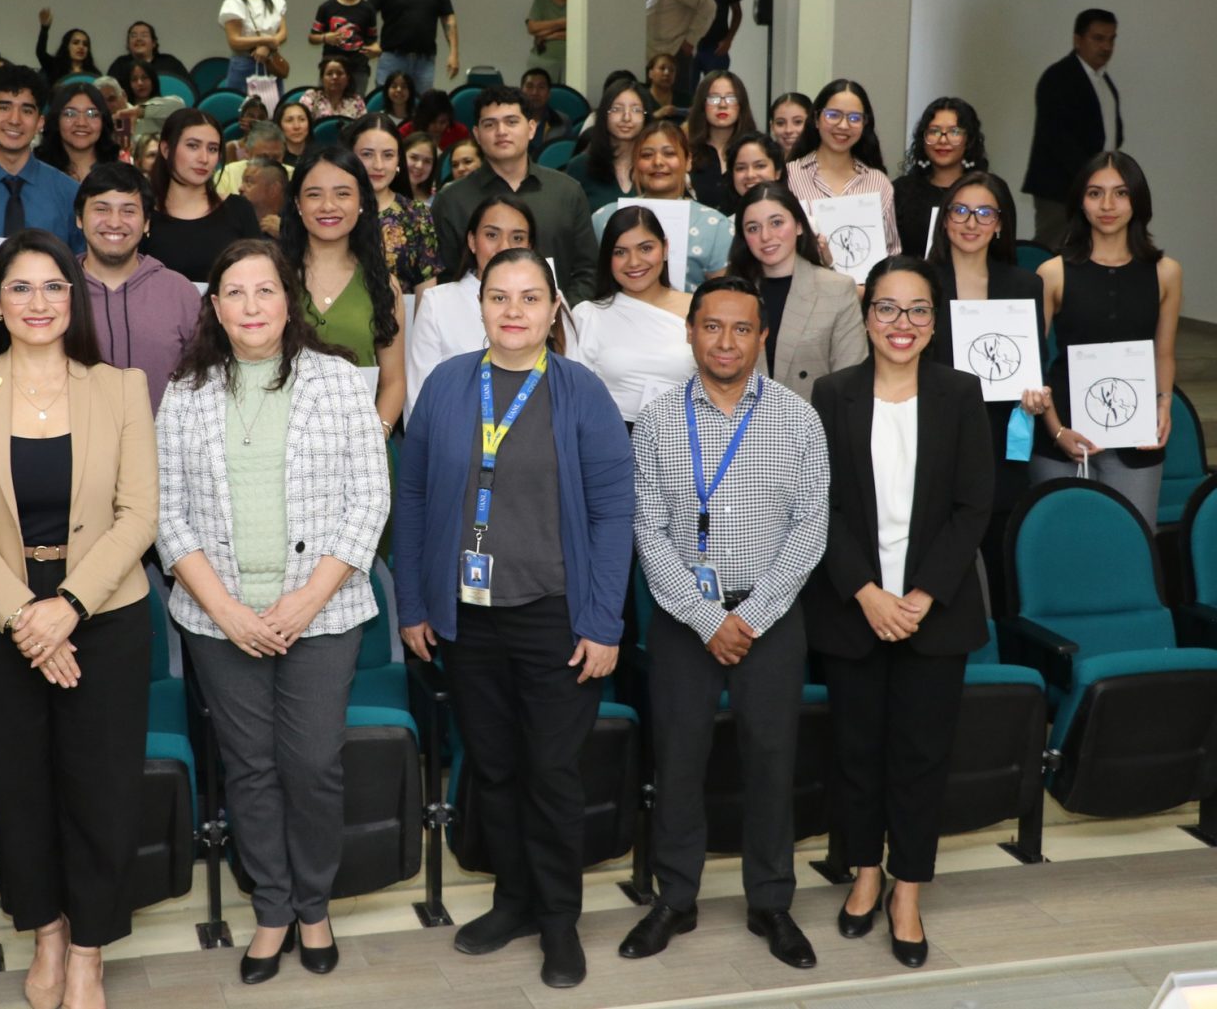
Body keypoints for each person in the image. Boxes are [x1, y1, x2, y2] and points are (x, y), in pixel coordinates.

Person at [0, 229, 153, 1009]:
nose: (38, 302)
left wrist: (70, 607)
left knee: (100, 787)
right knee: (18, 788)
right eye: (19, 288)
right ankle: (47, 936)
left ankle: (88, 949)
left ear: (74, 297)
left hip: (104, 613)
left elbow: (139, 515)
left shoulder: (119, 387)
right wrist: (29, 616)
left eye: (53, 286)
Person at [396, 248, 631, 989]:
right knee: (493, 769)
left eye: (530, 298)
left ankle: (560, 921)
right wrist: (414, 602)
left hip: (556, 617)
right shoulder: (444, 385)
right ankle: (514, 901)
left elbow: (612, 512)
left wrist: (604, 622)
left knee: (552, 772)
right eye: (500, 296)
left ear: (553, 307)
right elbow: (415, 499)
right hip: (468, 617)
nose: (514, 311)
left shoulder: (580, 391)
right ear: (482, 305)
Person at [159, 238, 388, 984]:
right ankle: (272, 908)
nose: (252, 306)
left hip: (321, 613)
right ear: (215, 308)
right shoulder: (183, 393)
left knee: (313, 763)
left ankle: (315, 903)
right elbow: (167, 514)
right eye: (236, 293)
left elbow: (369, 502)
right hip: (218, 617)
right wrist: (223, 608)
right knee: (250, 768)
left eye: (266, 290)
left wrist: (307, 598)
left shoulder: (345, 381)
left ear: (290, 301)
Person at [623, 274, 829, 971]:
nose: (726, 340)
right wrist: (710, 617)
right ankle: (674, 898)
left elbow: (811, 530)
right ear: (690, 330)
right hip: (686, 619)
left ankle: (771, 900)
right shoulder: (654, 421)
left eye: (742, 328)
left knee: (772, 761)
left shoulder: (799, 420)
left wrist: (753, 614)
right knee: (679, 759)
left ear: (762, 337)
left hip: (771, 615)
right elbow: (648, 534)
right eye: (712, 325)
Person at [799, 254, 991, 971]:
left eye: (916, 310)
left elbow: (975, 504)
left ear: (934, 322)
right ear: (866, 315)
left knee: (920, 755)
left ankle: (907, 887)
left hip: (933, 611)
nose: (901, 324)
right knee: (856, 750)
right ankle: (865, 870)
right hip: (855, 607)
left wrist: (921, 595)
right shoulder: (833, 394)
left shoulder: (961, 393)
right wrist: (867, 592)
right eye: (887, 308)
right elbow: (821, 504)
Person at [1024, 152, 1180, 521]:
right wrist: (1055, 428)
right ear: (1080, 201)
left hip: (1137, 435)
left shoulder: (1166, 272)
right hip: (1063, 433)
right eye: (1095, 193)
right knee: (1060, 547)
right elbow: (1031, 361)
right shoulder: (1053, 272)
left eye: (1121, 193)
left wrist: (1164, 405)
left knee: (1133, 545)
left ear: (1137, 201)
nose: (1107, 205)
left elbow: (1165, 352)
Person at [927, 172, 1041, 598]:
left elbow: (1033, 369)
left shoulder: (1024, 285)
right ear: (945, 219)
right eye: (960, 210)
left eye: (984, 212)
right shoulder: (921, 281)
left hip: (1002, 439)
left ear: (1000, 224)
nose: (970, 222)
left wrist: (1036, 397)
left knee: (1000, 561)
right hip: (938, 437)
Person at [434, 88, 598, 301]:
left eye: (511, 122)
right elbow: (446, 278)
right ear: (477, 134)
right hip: (475, 327)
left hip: (558, 325)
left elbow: (588, 271)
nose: (501, 131)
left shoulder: (568, 192)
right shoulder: (451, 200)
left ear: (531, 128)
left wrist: (558, 316)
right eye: (490, 124)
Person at [284, 146, 406, 428]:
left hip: (363, 449)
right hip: (283, 448)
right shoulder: (272, 278)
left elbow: (394, 382)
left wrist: (377, 435)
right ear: (298, 203)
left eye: (342, 194)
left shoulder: (385, 286)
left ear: (362, 201)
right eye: (314, 194)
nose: (328, 206)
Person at [70, 164, 199, 413]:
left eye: (128, 211)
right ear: (79, 219)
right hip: (74, 447)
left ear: (147, 222)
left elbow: (204, 378)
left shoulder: (180, 293)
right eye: (101, 209)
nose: (114, 222)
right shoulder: (56, 291)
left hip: (164, 447)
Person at [727, 182, 866, 400]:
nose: (766, 236)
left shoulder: (837, 289)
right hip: (740, 426)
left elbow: (850, 379)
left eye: (776, 223)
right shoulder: (728, 294)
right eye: (753, 228)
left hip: (815, 424)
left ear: (799, 225)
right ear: (743, 237)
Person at [407, 193, 536, 424]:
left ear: (530, 246)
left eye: (517, 237)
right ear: (472, 241)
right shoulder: (438, 302)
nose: (504, 247)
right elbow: (419, 399)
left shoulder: (551, 300)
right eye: (491, 235)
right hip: (456, 443)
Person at [571, 206, 698, 420]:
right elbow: (574, 397)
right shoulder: (589, 315)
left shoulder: (699, 310)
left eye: (645, 248)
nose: (634, 262)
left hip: (689, 437)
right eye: (620, 252)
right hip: (612, 440)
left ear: (665, 248)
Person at [0, 66, 83, 252]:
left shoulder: (69, 194)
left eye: (27, 111)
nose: (15, 119)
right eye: (4, 107)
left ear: (40, 122)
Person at [591, 122, 733, 288]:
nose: (658, 162)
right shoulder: (604, 218)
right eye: (646, 155)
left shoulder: (716, 226)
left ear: (688, 161)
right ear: (635, 163)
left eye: (669, 153)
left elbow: (723, 294)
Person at [1023, 9, 1120, 249]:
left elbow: (1111, 134)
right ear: (1078, 40)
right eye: (1098, 38)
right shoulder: (1059, 77)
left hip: (1095, 185)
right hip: (1060, 188)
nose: (1106, 46)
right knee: (1051, 249)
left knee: (1087, 252)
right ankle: (1037, 288)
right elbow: (1056, 138)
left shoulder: (1104, 82)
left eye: (1111, 39)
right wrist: (1092, 178)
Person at [142, 110, 262, 289]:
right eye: (193, 146)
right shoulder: (142, 212)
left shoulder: (239, 209)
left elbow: (259, 277)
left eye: (212, 149)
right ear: (166, 149)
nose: (204, 158)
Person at [787, 78, 900, 261]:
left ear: (864, 125)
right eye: (833, 115)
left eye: (854, 118)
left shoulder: (878, 182)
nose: (843, 125)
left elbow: (891, 252)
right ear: (816, 119)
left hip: (864, 289)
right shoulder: (790, 176)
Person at [347, 114, 441, 291]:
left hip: (403, 317)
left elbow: (427, 295)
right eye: (367, 154)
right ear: (350, 156)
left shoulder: (417, 216)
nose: (378, 165)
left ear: (399, 160)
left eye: (388, 155)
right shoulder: (332, 211)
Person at [893, 98, 993, 260]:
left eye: (954, 132)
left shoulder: (987, 191)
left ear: (969, 140)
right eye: (934, 131)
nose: (943, 140)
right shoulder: (901, 190)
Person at [645, 0, 715, 103]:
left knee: (676, 105)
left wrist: (691, 40)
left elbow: (708, 6)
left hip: (674, 55)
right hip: (655, 56)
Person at [684, 71, 755, 215]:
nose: (722, 105)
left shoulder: (754, 151)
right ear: (702, 104)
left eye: (731, 98)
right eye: (714, 98)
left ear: (741, 104)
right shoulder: (686, 151)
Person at [218, 0, 290, 93]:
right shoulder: (234, 2)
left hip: (271, 62)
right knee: (242, 109)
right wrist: (266, 40)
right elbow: (234, 41)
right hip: (244, 63)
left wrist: (267, 47)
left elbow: (283, 32)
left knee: (273, 109)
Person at [577, 79, 649, 210]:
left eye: (636, 110)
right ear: (604, 115)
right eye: (617, 109)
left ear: (646, 117)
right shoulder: (580, 166)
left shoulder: (655, 167)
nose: (626, 117)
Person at [39, 81, 118, 184]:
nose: (81, 123)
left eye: (92, 114)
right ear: (56, 120)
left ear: (103, 121)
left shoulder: (119, 174)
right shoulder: (38, 172)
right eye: (70, 114)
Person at [310, 0, 380, 69]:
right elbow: (312, 38)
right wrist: (325, 38)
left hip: (359, 68)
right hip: (330, 67)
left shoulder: (369, 9)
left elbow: (372, 40)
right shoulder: (326, 7)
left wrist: (377, 50)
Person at [106, 22, 187, 96]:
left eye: (144, 35)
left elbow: (187, 89)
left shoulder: (170, 63)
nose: (138, 39)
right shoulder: (119, 64)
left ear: (154, 43)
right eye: (133, 36)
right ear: (128, 44)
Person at [526, 0, 569, 83]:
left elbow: (577, 33)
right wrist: (561, 23)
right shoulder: (541, 0)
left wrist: (548, 34)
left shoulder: (578, 0)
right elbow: (532, 28)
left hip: (571, 61)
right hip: (543, 59)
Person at [300, 55, 370, 121]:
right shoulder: (311, 96)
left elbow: (363, 129)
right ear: (322, 78)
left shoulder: (356, 101)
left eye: (339, 73)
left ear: (348, 78)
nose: (334, 77)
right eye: (329, 73)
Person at [35, 10, 102, 78]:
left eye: (85, 44)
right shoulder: (55, 66)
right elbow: (41, 53)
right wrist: (44, 29)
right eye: (76, 43)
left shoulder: (94, 73)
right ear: (67, 46)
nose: (81, 47)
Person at [728, 133, 785, 207]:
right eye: (741, 168)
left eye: (760, 166)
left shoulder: (795, 214)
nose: (750, 175)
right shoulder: (725, 218)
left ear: (778, 172)